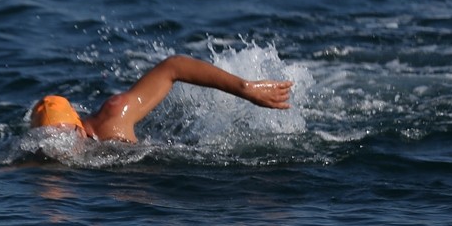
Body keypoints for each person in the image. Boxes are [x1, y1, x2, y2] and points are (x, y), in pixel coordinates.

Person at [29, 55, 293, 143]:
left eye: (65, 139)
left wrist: (245, 88)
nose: (61, 149)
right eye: (51, 141)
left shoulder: (114, 117)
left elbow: (173, 67)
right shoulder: (42, 155)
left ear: (78, 128)